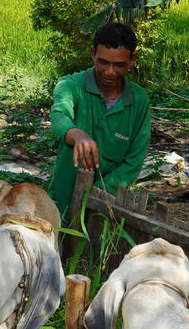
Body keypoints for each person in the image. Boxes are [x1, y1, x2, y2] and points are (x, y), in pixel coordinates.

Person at [47, 22, 152, 217]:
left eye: (119, 65)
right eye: (103, 62)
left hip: (107, 211)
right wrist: (77, 135)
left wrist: (95, 195)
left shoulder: (139, 101)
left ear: (132, 60)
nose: (110, 72)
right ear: (93, 53)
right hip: (61, 206)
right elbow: (59, 116)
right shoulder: (71, 85)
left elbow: (133, 162)